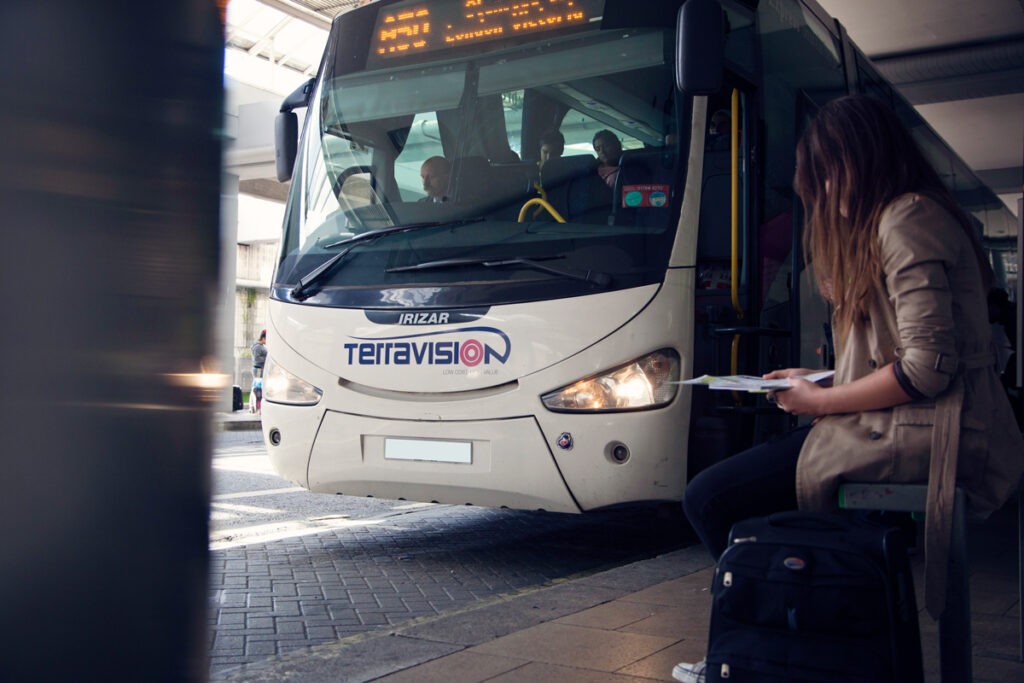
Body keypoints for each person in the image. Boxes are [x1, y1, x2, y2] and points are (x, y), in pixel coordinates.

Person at [672, 94, 1024, 683]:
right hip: (909, 419)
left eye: (831, 176)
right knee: (727, 495)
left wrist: (818, 402)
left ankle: (776, 636)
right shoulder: (906, 215)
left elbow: (927, 370)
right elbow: (913, 355)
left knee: (712, 497)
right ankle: (791, 635)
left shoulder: (906, 219)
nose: (829, 196)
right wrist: (818, 380)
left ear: (862, 159)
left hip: (935, 429)